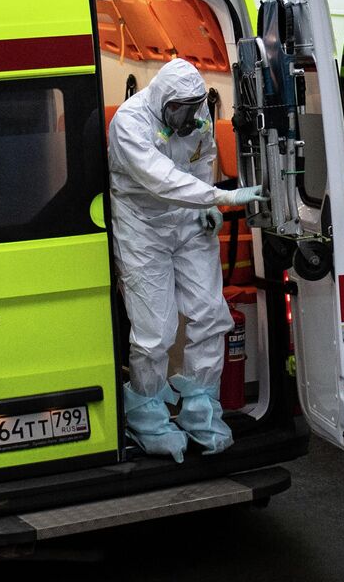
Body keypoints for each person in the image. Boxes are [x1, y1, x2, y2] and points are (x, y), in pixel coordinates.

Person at [107, 57, 264, 461]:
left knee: (211, 315)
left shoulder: (197, 119)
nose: (189, 118)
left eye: (194, 109)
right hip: (144, 227)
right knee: (156, 331)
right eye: (180, 109)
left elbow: (201, 161)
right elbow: (160, 178)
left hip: (190, 218)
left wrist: (206, 198)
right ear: (161, 100)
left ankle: (201, 411)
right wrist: (219, 198)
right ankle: (147, 418)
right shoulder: (130, 124)